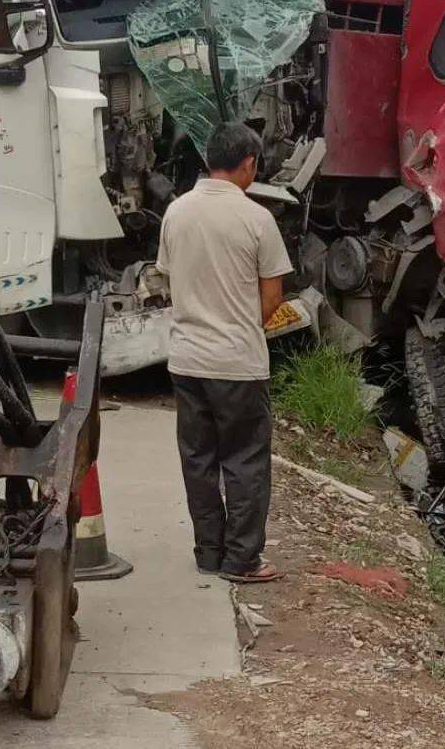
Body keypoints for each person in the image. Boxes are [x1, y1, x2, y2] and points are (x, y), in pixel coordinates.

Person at [156, 122, 293, 582]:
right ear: (249, 163)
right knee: (245, 461)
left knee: (198, 460)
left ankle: (208, 554)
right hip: (238, 364)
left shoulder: (176, 213)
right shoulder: (258, 220)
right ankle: (242, 561)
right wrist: (237, 328)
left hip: (187, 361)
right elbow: (272, 298)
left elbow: (170, 278)